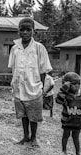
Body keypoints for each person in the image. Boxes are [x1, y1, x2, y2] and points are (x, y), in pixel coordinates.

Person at [8, 17, 52, 147]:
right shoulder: (15, 49)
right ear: (18, 31)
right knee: (23, 114)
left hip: (34, 88)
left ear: (34, 31)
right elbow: (13, 69)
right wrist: (14, 84)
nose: (25, 32)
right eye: (22, 30)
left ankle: (34, 138)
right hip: (19, 88)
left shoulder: (39, 48)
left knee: (33, 115)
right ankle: (25, 136)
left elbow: (43, 70)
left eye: (28, 30)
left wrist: (42, 88)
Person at [56, 72, 81, 155]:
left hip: (78, 121)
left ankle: (78, 153)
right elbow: (58, 100)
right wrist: (63, 89)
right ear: (67, 85)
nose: (77, 86)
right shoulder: (65, 96)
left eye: (78, 84)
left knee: (76, 137)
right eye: (74, 84)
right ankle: (64, 151)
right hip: (67, 121)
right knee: (66, 135)